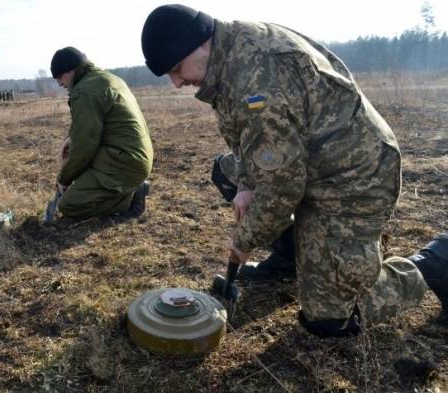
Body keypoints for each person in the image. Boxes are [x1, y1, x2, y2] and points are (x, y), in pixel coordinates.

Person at [141, 4, 448, 336]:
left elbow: (281, 188)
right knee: (227, 171)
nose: (176, 83)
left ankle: (435, 262)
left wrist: (244, 241)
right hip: (309, 162)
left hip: (352, 178)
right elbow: (249, 143)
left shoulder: (257, 76)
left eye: (176, 68)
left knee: (328, 320)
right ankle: (291, 257)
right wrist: (245, 183)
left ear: (199, 44)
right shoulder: (228, 51)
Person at [50, 47, 153, 219]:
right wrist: (70, 139)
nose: (59, 83)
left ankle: (131, 197)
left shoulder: (84, 91)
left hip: (123, 163)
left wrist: (64, 179)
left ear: (71, 70)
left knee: (69, 205)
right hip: (132, 157)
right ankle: (130, 188)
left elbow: (84, 145)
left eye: (59, 77)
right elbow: (88, 128)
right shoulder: (107, 78)